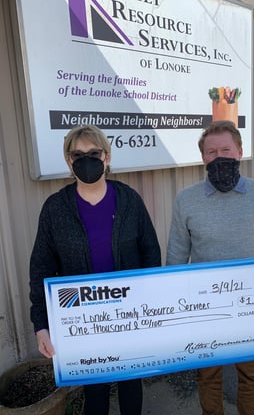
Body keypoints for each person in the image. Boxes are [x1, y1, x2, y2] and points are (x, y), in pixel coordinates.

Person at [166, 120, 254, 415]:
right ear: (203, 156)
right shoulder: (186, 200)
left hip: (250, 304)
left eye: (226, 149)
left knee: (252, 374)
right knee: (207, 374)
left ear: (240, 151)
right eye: (211, 151)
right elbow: (177, 255)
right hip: (204, 304)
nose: (219, 157)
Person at [29, 124, 161, 415]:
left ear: (107, 157)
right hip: (83, 319)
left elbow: (150, 252)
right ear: (68, 161)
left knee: (130, 384)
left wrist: (151, 306)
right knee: (95, 389)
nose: (86, 160)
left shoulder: (129, 201)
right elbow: (41, 266)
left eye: (94, 153)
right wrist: (42, 323)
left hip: (128, 313)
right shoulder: (55, 209)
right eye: (78, 154)